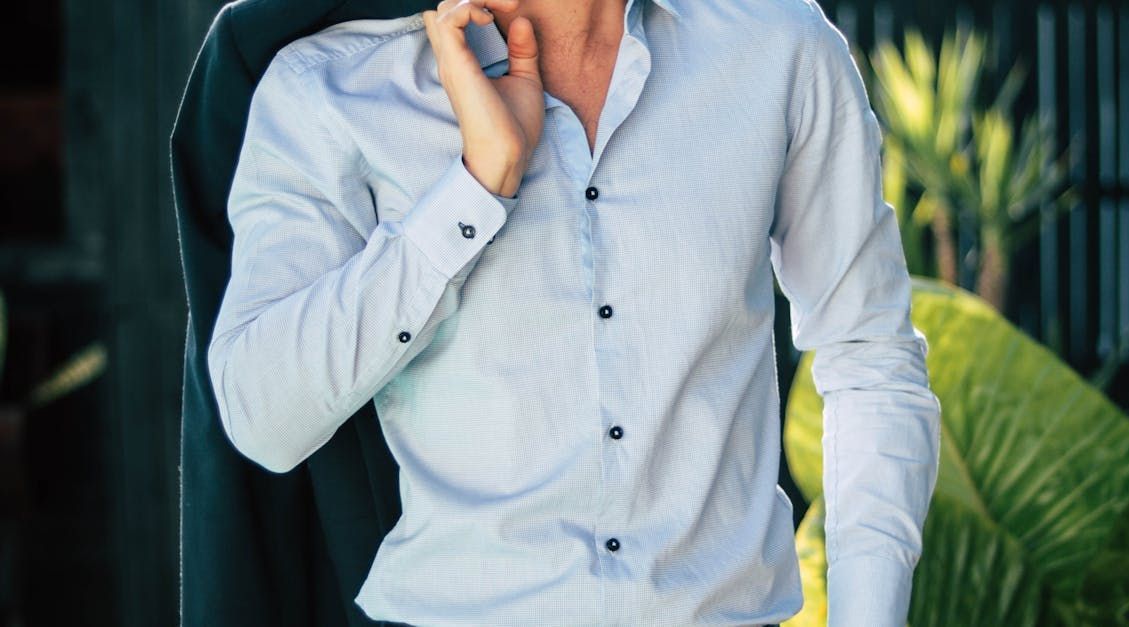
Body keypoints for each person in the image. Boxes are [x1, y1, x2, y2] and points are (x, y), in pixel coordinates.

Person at [206, 0, 941, 624]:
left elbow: (870, 355)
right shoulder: (331, 88)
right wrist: (474, 188)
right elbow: (261, 417)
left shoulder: (777, 44)